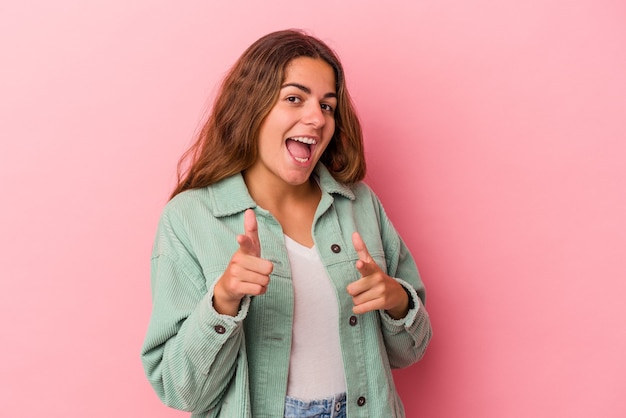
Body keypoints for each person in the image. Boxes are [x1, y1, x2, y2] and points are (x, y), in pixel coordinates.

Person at [141, 29, 432, 418]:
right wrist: (223, 301)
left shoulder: (359, 204)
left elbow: (410, 350)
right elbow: (180, 390)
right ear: (252, 107)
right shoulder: (190, 218)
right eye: (294, 98)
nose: (316, 117)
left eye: (327, 106)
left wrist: (396, 300)